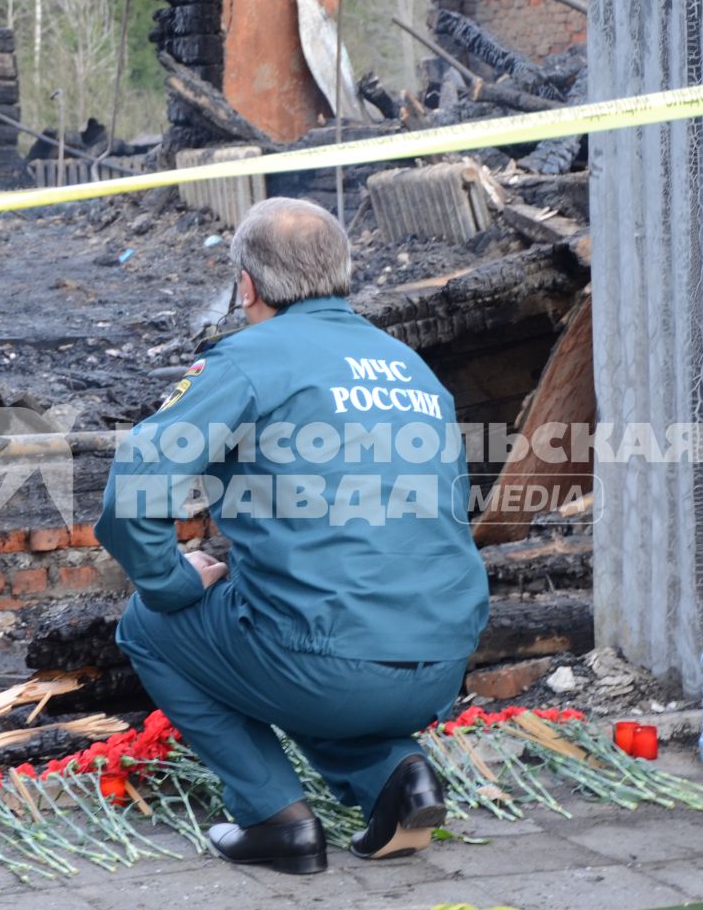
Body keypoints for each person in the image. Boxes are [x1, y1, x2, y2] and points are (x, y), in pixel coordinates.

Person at [94, 197, 489, 875]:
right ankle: (397, 774)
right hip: (442, 662)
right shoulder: (412, 368)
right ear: (342, 274)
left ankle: (275, 817)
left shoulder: (249, 359)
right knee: (298, 622)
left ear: (245, 285)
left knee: (151, 624)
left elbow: (135, 484)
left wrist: (172, 579)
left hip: (325, 662)